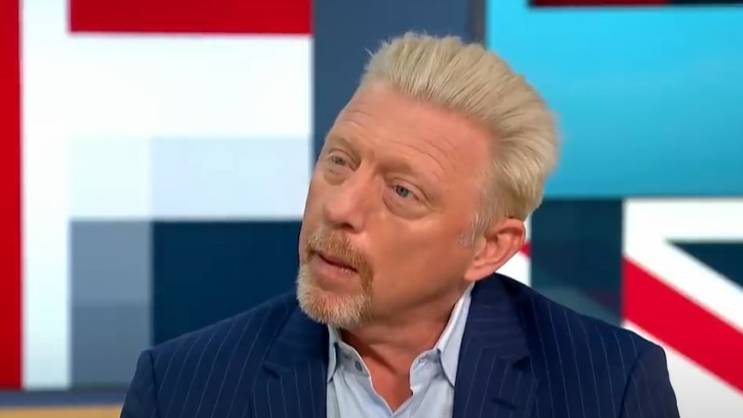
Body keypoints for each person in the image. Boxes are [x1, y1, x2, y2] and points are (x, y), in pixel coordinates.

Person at [121, 33, 679, 418]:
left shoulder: (609, 387)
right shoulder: (182, 389)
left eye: (402, 192)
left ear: (488, 247)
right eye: (340, 161)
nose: (341, 208)